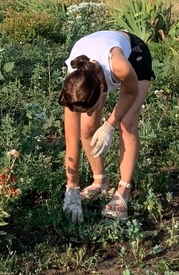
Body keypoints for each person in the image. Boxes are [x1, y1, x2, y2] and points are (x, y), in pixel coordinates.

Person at [59, 30, 155, 222]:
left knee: (127, 123)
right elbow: (71, 141)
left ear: (103, 90)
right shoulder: (75, 83)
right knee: (87, 128)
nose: (86, 113)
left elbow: (130, 93)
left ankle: (122, 192)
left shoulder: (120, 67)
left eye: (89, 108)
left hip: (135, 55)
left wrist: (109, 125)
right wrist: (72, 187)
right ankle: (100, 181)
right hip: (95, 66)